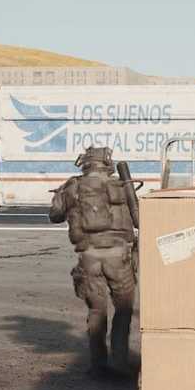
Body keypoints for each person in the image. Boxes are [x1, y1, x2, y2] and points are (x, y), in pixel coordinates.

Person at [49, 147, 139, 376]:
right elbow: (139, 220)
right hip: (119, 258)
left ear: (85, 163)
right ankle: (119, 361)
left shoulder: (72, 187)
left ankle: (98, 364)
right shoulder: (122, 185)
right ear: (107, 163)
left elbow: (54, 215)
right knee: (123, 310)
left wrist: (66, 197)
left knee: (97, 311)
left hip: (89, 259)